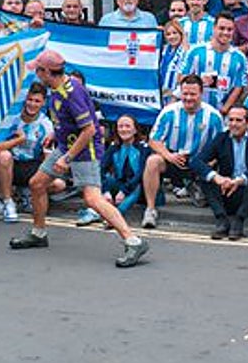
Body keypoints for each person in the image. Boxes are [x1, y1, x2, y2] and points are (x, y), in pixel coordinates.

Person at [10, 50, 149, 268]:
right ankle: (38, 233)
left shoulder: (71, 92)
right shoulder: (56, 88)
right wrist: (56, 133)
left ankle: (133, 241)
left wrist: (67, 158)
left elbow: (89, 130)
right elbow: (69, 120)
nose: (36, 74)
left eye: (38, 70)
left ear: (47, 72)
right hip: (66, 145)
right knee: (37, 183)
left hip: (84, 150)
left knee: (92, 199)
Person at [141, 75, 224, 228]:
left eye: (193, 94)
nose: (188, 98)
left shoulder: (213, 116)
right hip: (173, 158)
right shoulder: (169, 112)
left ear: (201, 93)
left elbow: (222, 145)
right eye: (185, 93)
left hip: (200, 162)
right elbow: (154, 140)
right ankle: (150, 209)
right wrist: (169, 156)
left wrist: (211, 162)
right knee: (153, 161)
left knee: (204, 200)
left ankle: (195, 186)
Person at [191, 105, 248, 240]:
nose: (233, 124)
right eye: (231, 120)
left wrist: (241, 179)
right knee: (205, 177)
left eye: (238, 120)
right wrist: (217, 178)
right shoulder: (221, 138)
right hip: (228, 190)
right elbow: (196, 161)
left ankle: (239, 221)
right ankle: (221, 220)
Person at [0, 82, 54, 223]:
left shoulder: (46, 124)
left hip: (32, 166)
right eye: (29, 100)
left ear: (43, 103)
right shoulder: (12, 118)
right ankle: (8, 203)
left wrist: (41, 182)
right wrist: (19, 140)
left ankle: (28, 194)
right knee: (3, 156)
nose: (32, 104)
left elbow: (48, 157)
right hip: (11, 165)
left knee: (59, 183)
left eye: (37, 101)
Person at [181, 13, 248, 111]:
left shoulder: (239, 57)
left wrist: (224, 109)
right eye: (221, 28)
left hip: (222, 111)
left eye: (229, 29)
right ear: (214, 28)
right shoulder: (195, 51)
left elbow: (238, 86)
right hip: (195, 109)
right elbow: (182, 78)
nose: (225, 32)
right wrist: (199, 81)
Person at [99, 116, 148, 222]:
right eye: (120, 126)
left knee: (137, 187)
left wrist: (124, 192)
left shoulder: (143, 148)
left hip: (139, 189)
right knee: (107, 179)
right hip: (120, 185)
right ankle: (96, 211)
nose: (124, 129)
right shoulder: (114, 146)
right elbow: (101, 169)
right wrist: (105, 191)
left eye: (127, 126)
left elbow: (140, 174)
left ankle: (115, 216)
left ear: (135, 130)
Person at [159, 19, 189, 103]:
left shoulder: (186, 52)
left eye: (175, 33)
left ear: (181, 34)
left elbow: (186, 77)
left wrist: (175, 96)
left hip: (177, 98)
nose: (171, 36)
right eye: (168, 34)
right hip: (161, 96)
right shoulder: (163, 51)